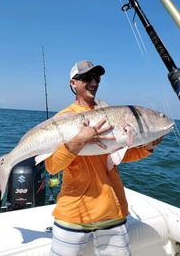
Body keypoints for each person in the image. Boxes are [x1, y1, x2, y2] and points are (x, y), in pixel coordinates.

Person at [45, 60, 162, 256]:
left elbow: (119, 154)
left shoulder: (109, 114)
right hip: (73, 213)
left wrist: (146, 148)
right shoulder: (62, 119)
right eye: (86, 77)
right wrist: (79, 140)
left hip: (112, 212)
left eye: (97, 77)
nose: (94, 82)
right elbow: (52, 166)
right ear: (73, 83)